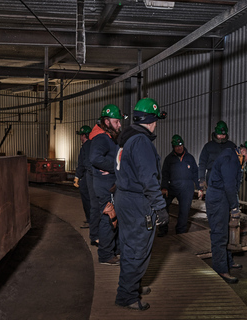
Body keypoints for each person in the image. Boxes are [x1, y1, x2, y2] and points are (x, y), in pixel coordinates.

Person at [114, 97, 169, 311]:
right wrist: (160, 208)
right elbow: (149, 179)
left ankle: (131, 285)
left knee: (129, 245)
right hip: (137, 202)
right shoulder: (141, 142)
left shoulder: (126, 138)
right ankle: (127, 295)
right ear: (151, 120)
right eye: (155, 120)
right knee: (138, 249)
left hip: (124, 198)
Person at [206, 140, 247, 284]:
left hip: (223, 197)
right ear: (243, 151)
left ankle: (228, 262)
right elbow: (229, 185)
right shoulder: (229, 158)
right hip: (218, 199)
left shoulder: (234, 158)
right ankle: (221, 269)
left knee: (227, 233)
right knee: (219, 235)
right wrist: (235, 207)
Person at [89, 104, 126, 266]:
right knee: (109, 218)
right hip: (105, 186)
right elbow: (95, 158)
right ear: (106, 121)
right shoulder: (101, 138)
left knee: (113, 218)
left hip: (109, 184)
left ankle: (115, 249)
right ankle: (105, 255)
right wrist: (114, 167)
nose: (119, 125)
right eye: (116, 121)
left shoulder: (109, 136)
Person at [159, 134, 200, 236]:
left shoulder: (190, 158)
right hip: (172, 186)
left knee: (184, 211)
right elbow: (165, 174)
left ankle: (180, 232)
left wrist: (200, 188)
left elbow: (196, 173)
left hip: (186, 188)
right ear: (173, 147)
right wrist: (164, 187)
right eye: (177, 146)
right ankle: (163, 230)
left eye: (181, 145)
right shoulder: (169, 159)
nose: (179, 148)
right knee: (163, 206)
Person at [198, 120, 236, 197]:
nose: (221, 137)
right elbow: (202, 163)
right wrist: (201, 178)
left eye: (223, 135)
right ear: (215, 133)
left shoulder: (231, 146)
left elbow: (237, 163)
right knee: (213, 199)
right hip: (212, 176)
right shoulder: (208, 146)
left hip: (227, 176)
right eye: (219, 135)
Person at [74, 125, 93, 230]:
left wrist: (77, 176)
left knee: (86, 196)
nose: (80, 138)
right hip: (95, 175)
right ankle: (93, 219)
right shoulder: (94, 144)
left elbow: (82, 164)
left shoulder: (85, 147)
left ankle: (90, 220)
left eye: (81, 135)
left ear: (85, 135)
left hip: (87, 174)